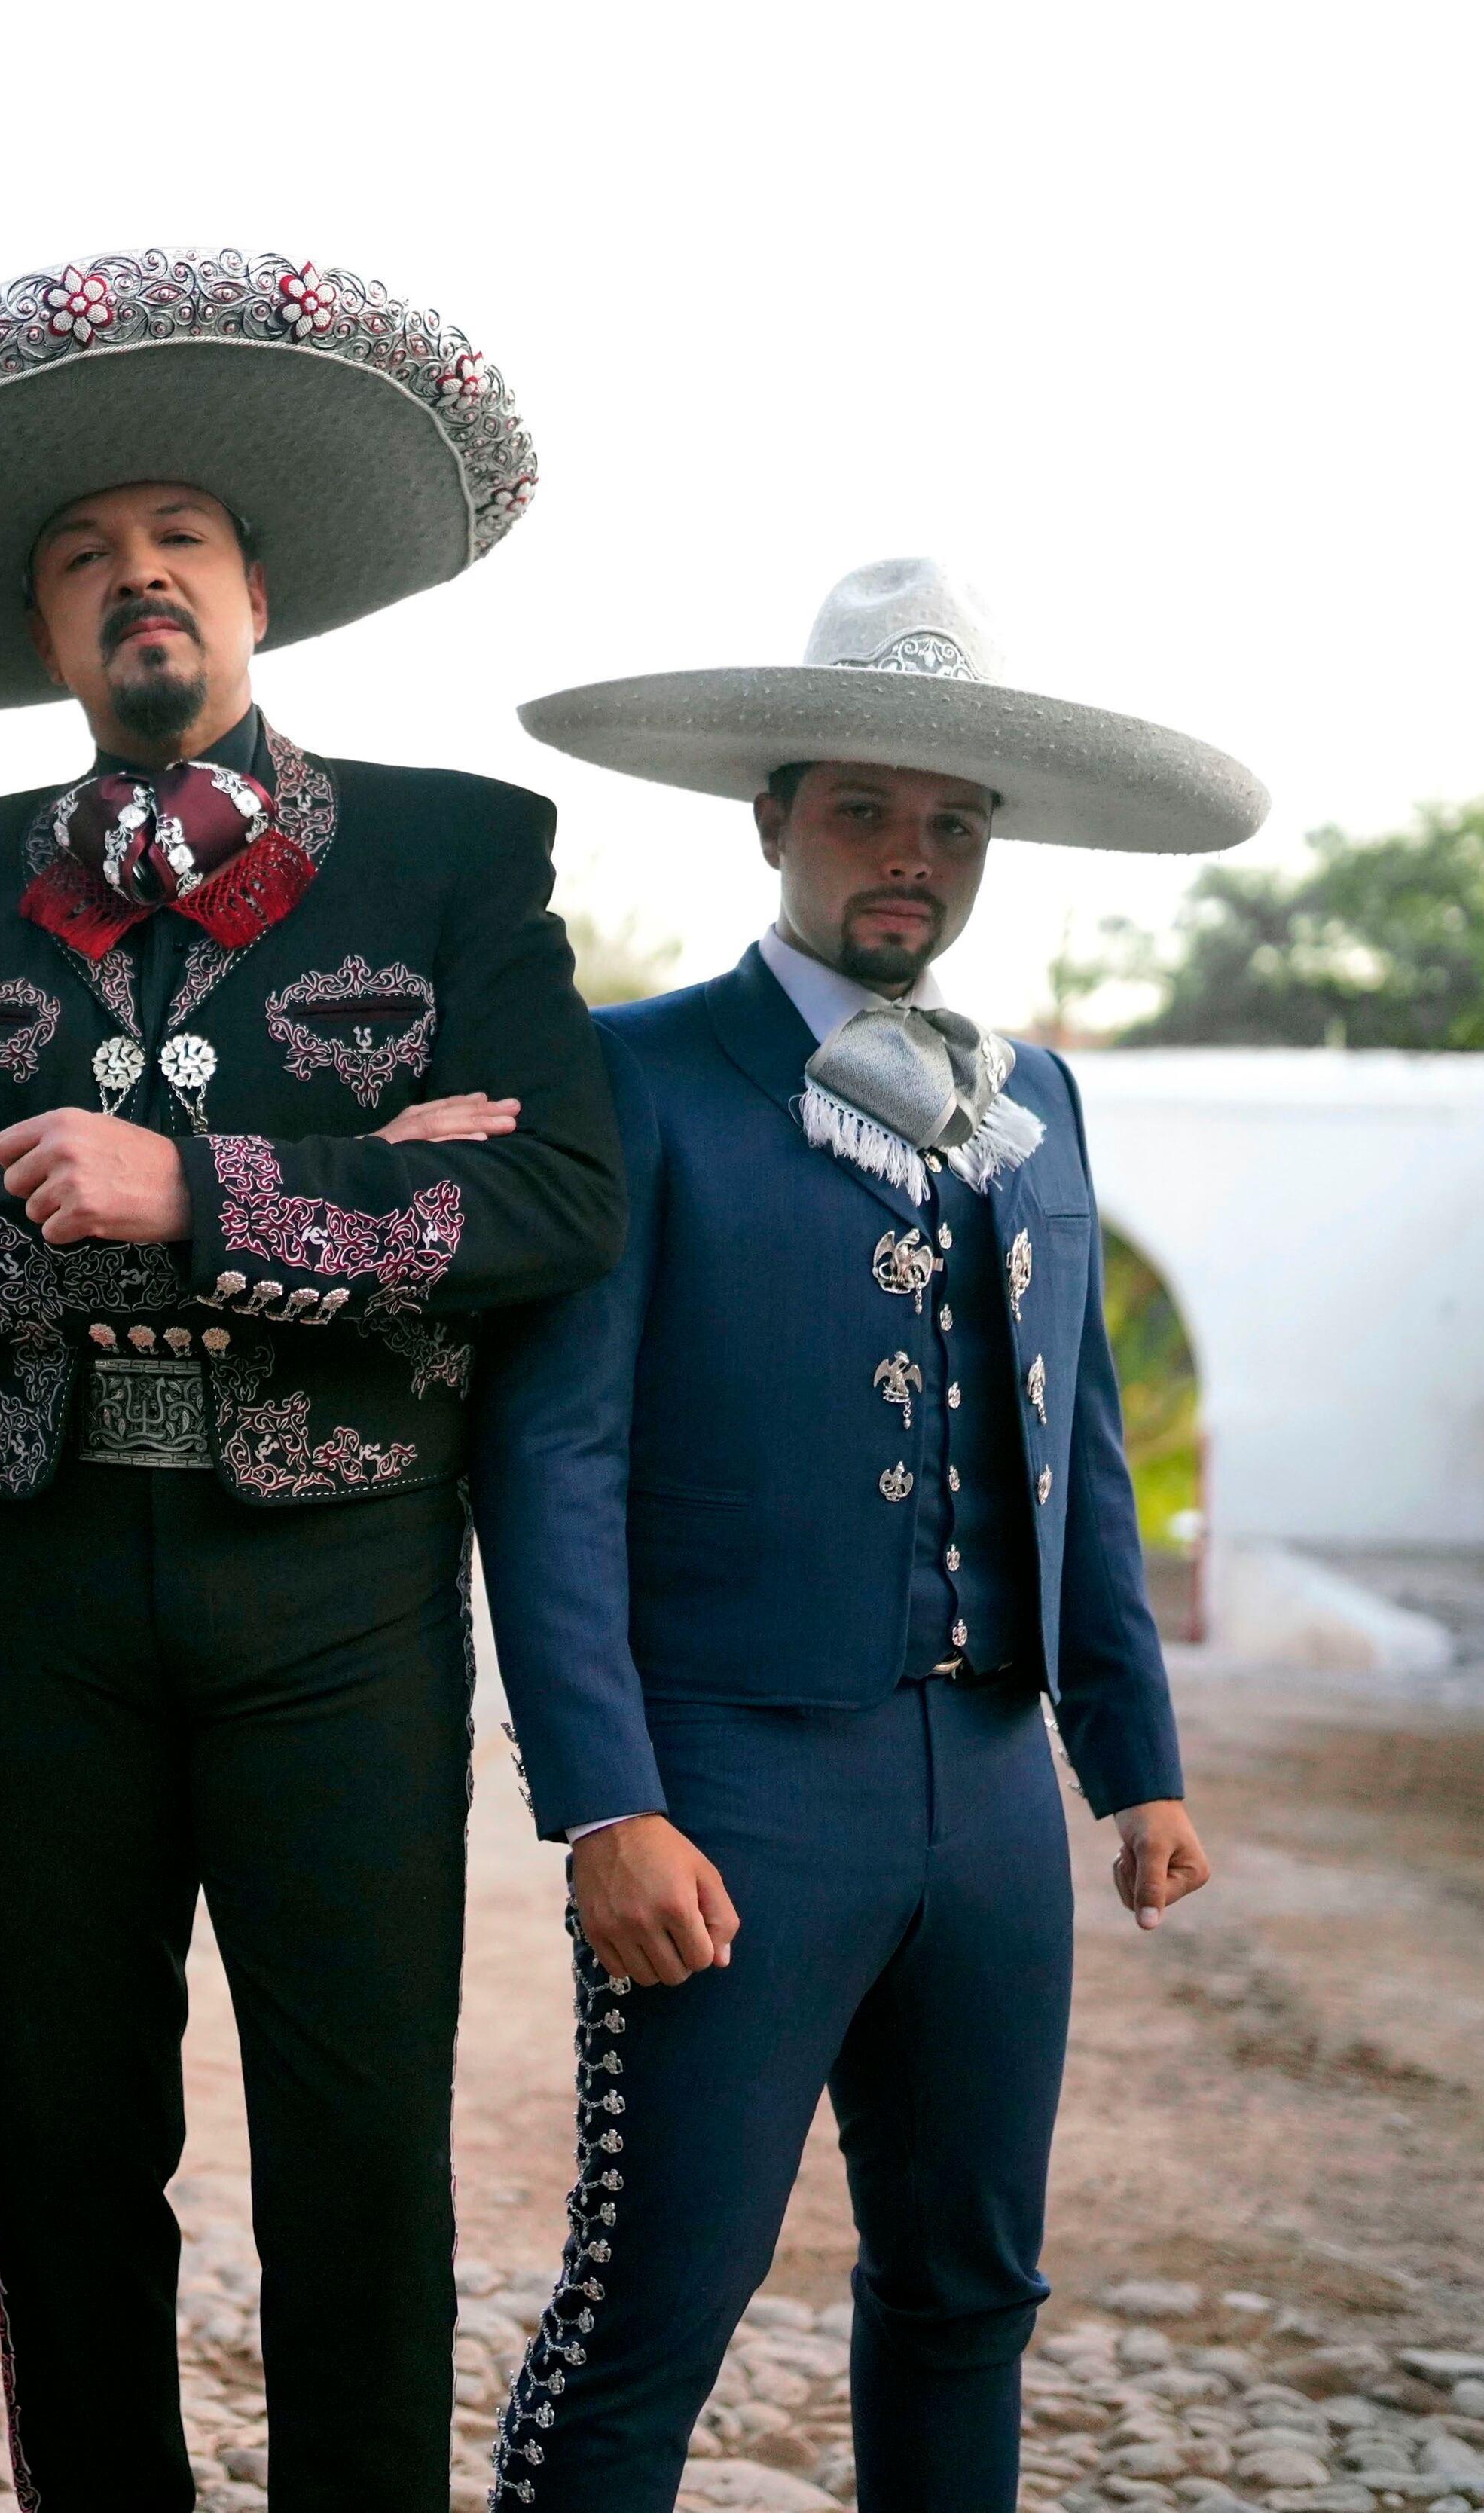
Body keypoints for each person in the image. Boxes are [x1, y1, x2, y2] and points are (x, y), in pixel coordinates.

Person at [0, 249, 627, 2508]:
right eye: (82, 560)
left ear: (256, 599)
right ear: (48, 639)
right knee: (64, 2147)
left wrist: (199, 1190)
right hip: (37, 1598)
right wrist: (349, 1189)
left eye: (182, 546)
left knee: (357, 2151)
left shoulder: (449, 855)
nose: (137, 581)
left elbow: (550, 1212)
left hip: (334, 1597)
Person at [474, 558, 1269, 2511]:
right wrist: (606, 1806)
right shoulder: (634, 1076)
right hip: (734, 1784)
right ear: (771, 819)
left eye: (953, 824)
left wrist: (1133, 1763)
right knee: (657, 2299)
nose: (909, 857)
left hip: (990, 1797)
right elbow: (550, 1467)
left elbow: (1071, 1444)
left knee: (970, 2290)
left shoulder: (1043, 1100)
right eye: (864, 811)